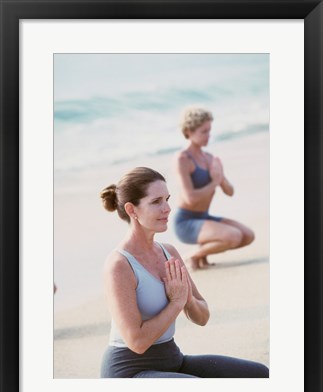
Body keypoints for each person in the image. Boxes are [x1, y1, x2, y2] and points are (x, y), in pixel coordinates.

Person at [99, 166, 268, 378]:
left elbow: (202, 316)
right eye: (156, 201)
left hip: (172, 361)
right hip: (130, 372)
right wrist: (176, 304)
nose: (167, 208)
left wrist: (187, 299)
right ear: (132, 210)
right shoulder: (119, 265)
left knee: (259, 374)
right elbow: (137, 342)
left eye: (167, 199)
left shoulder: (169, 252)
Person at [174, 106, 255, 270]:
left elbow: (230, 191)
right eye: (204, 132)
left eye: (209, 131)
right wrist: (214, 182)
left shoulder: (209, 158)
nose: (208, 136)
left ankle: (200, 256)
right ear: (189, 131)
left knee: (247, 236)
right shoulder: (183, 159)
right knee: (234, 236)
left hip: (204, 217)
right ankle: (189, 258)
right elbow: (190, 197)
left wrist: (220, 178)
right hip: (186, 222)